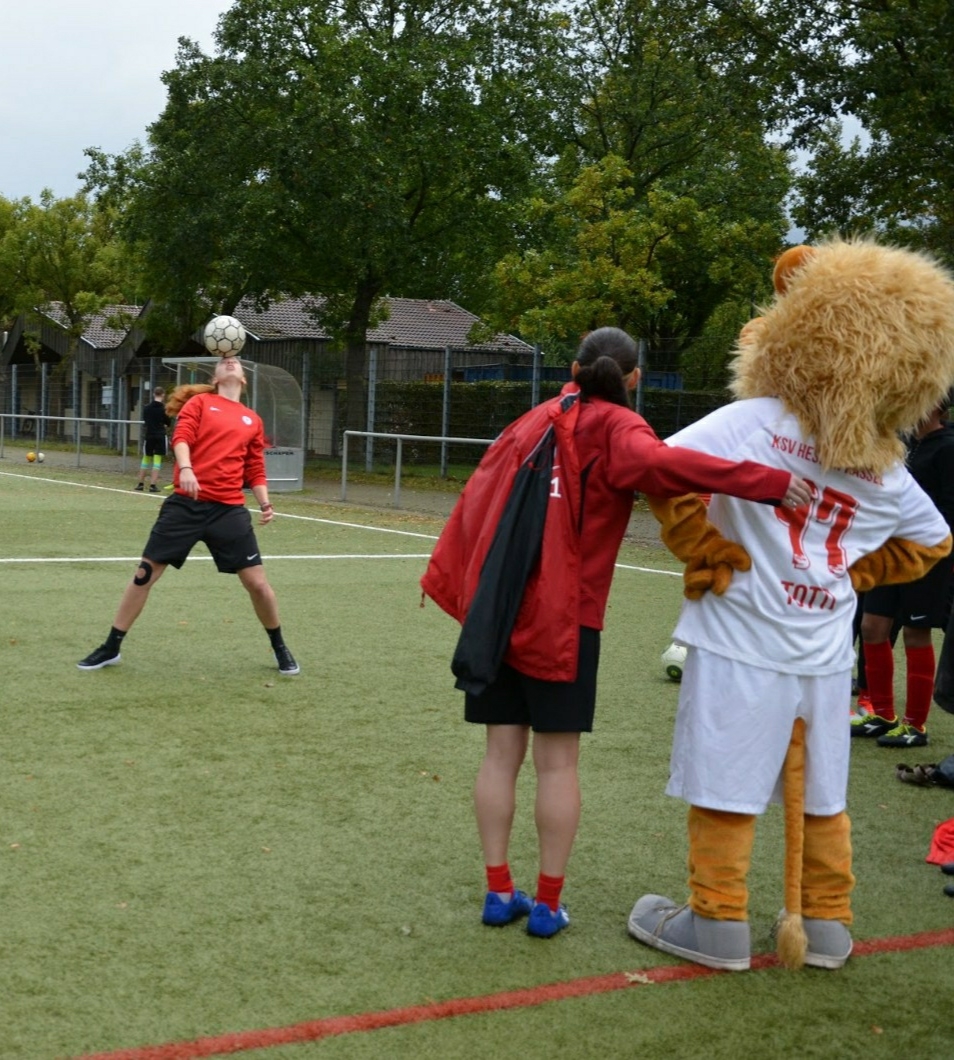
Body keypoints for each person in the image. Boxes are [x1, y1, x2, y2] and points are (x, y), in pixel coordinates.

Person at [627, 238, 954, 974]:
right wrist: (855, 568)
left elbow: (657, 467)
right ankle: (830, 928)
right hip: (823, 654)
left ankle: (716, 922)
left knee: (726, 782)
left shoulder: (757, 420)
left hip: (742, 639)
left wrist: (705, 546)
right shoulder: (887, 464)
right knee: (823, 793)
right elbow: (933, 540)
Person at [420, 326, 810, 939]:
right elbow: (663, 466)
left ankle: (499, 892)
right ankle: (547, 905)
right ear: (634, 378)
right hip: (564, 620)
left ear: (572, 367)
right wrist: (768, 482)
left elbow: (479, 498)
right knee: (556, 765)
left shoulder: (536, 419)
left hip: (499, 612)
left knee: (499, 754)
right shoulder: (620, 427)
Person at [78, 356, 299, 676]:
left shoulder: (252, 419)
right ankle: (111, 646)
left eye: (235, 361)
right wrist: (186, 468)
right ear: (216, 375)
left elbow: (255, 468)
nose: (231, 362)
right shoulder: (200, 404)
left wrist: (265, 503)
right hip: (185, 505)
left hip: (228, 510)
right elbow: (180, 439)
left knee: (258, 585)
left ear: (244, 379)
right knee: (144, 574)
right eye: (225, 361)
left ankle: (280, 646)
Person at [851, 393, 954, 746]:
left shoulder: (947, 448)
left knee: (915, 632)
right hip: (888, 550)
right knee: (872, 625)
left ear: (936, 406)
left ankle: (915, 725)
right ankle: (881, 713)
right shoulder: (902, 444)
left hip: (927, 557)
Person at [135, 386, 171, 493]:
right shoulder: (164, 409)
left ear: (153, 394)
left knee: (146, 459)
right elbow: (168, 422)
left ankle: (140, 484)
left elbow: (146, 421)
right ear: (163, 395)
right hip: (160, 435)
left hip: (149, 435)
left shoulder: (146, 408)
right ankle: (152, 485)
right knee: (157, 460)